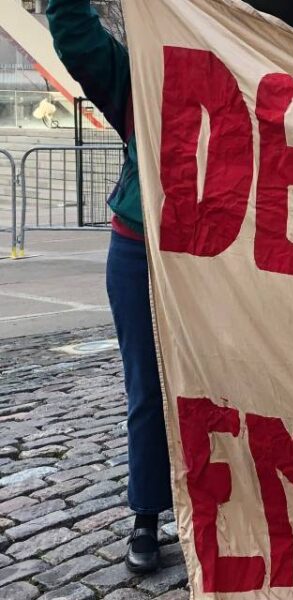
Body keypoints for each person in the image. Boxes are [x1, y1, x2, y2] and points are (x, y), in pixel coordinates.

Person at [47, 0, 171, 574]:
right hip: (140, 248)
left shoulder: (251, 74)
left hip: (218, 256)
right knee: (146, 388)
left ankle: (229, 508)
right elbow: (75, 36)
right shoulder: (137, 75)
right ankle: (146, 516)